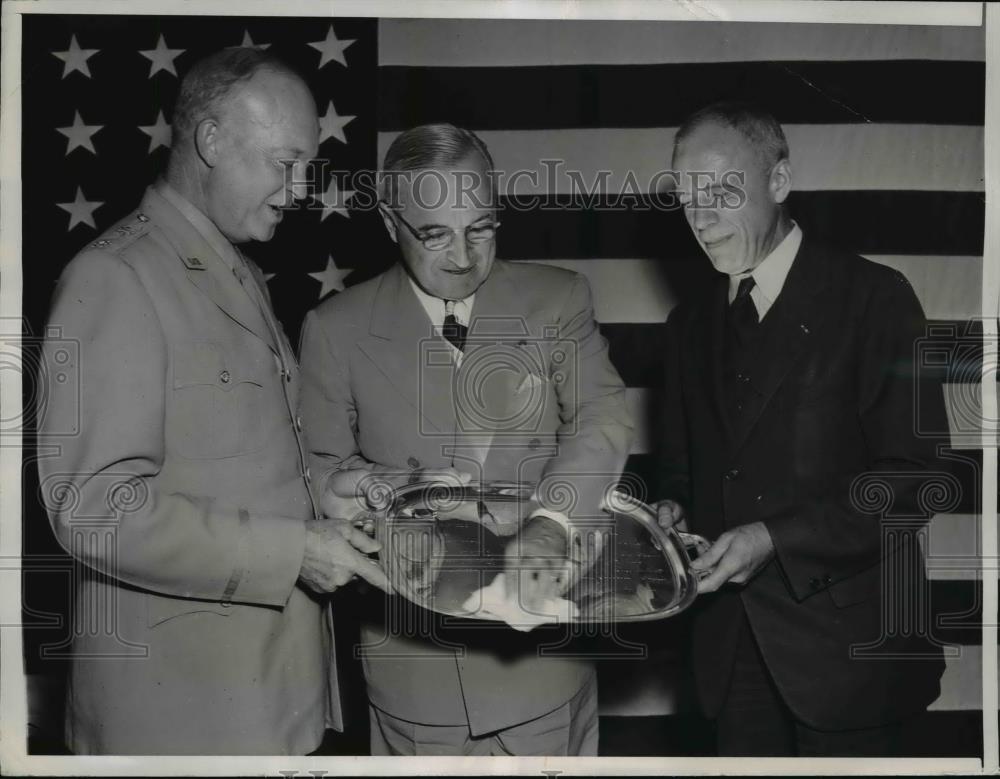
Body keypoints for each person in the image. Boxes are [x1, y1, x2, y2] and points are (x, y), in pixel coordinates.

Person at [37, 47, 390, 755]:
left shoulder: (234, 270)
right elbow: (94, 508)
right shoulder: (115, 276)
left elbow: (237, 460)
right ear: (210, 140)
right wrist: (292, 551)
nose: (297, 190)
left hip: (270, 692)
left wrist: (336, 490)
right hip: (183, 715)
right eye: (284, 163)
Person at [298, 123, 633, 756]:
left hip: (547, 658)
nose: (462, 256)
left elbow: (602, 418)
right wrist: (375, 492)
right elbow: (315, 471)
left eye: (481, 227)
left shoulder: (558, 298)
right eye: (434, 234)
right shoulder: (334, 329)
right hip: (418, 674)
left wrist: (553, 521)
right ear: (389, 223)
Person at [656, 101, 949, 756]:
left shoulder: (876, 297)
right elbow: (684, 471)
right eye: (687, 197)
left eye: (722, 190)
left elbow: (921, 480)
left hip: (853, 665)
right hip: (728, 661)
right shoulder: (687, 325)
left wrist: (772, 538)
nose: (700, 219)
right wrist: (669, 512)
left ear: (779, 181)